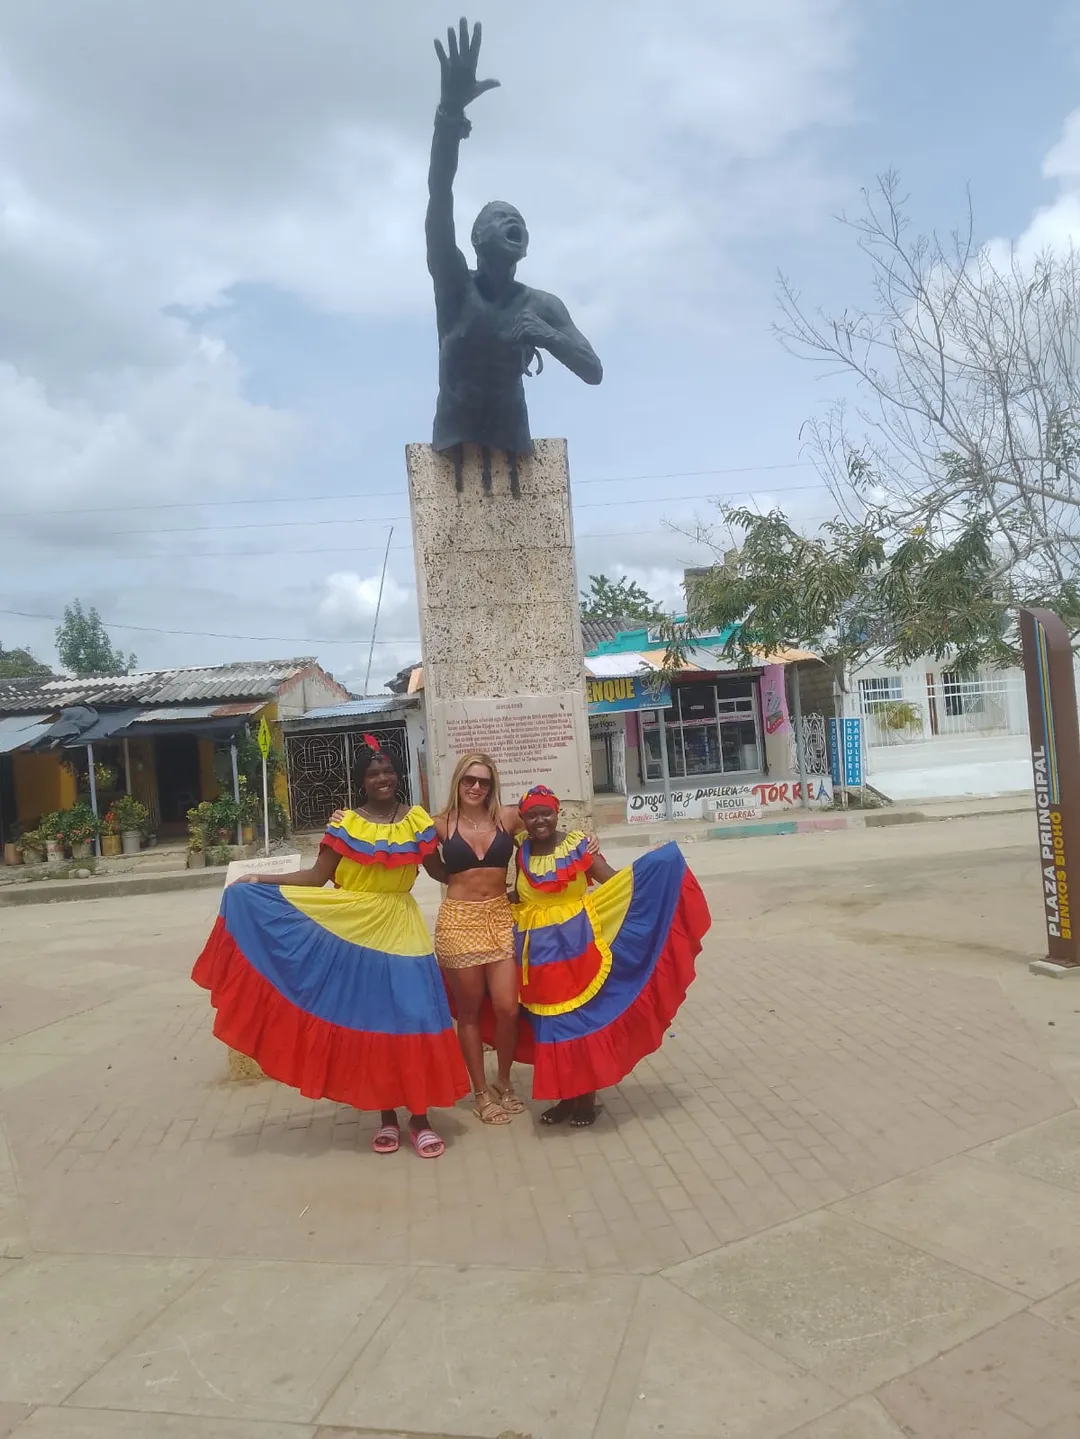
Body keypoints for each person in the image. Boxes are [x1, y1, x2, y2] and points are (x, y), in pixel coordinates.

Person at [191, 739, 469, 1159]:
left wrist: (487, 860)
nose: (382, 779)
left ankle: (421, 1117)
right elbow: (317, 877)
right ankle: (387, 1117)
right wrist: (259, 882)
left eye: (388, 771)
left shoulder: (416, 821)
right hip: (353, 929)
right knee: (373, 1022)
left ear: (398, 776)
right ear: (362, 781)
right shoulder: (344, 825)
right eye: (373, 773)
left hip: (402, 927)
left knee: (415, 1017)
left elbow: (442, 871)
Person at [510, 785, 712, 1126]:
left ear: (557, 812)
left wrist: (651, 877)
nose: (540, 820)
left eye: (546, 812)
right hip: (537, 955)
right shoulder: (521, 850)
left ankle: (585, 1099)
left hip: (576, 947)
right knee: (550, 1026)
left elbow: (611, 880)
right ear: (524, 819)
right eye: (532, 814)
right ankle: (565, 1098)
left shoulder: (577, 845)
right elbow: (520, 891)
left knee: (577, 1022)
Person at [431, 752, 525, 1125]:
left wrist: (587, 838)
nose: (476, 787)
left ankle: (504, 1080)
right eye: (469, 780)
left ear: (492, 785)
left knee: (508, 1007)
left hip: (501, 917)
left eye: (484, 781)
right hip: (459, 921)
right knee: (468, 1012)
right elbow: (427, 862)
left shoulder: (508, 817)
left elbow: (545, 824)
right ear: (458, 781)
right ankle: (481, 1092)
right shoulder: (440, 824)